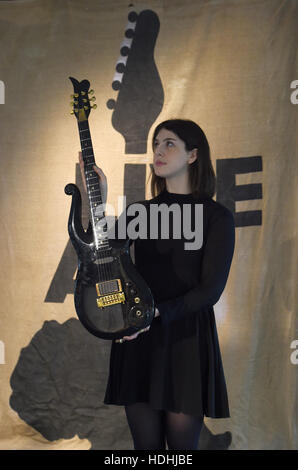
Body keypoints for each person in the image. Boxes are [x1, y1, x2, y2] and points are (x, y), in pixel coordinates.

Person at [79, 119, 235, 450]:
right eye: (156, 144)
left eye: (169, 144)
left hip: (185, 342)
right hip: (138, 341)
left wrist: (152, 315)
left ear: (193, 155)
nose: (158, 152)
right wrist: (99, 200)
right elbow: (102, 260)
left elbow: (210, 291)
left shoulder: (216, 217)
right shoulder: (138, 214)